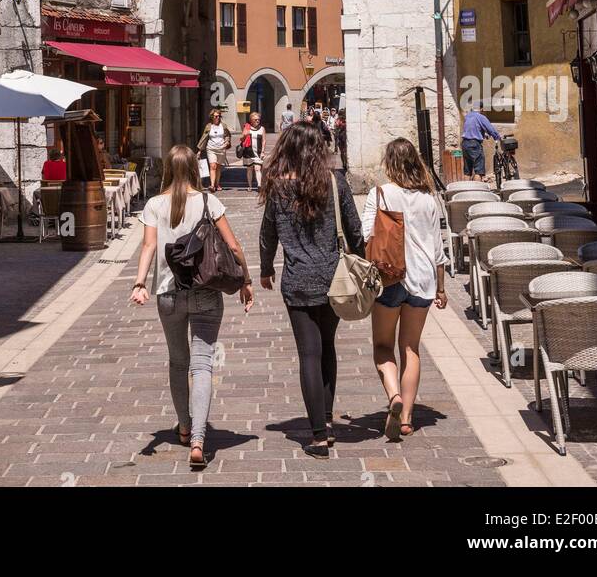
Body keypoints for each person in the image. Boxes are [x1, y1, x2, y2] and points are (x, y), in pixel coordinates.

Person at [131, 145, 253, 470]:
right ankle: (199, 440)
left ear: (169, 170)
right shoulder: (208, 201)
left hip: (168, 294)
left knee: (177, 361)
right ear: (194, 169)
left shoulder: (155, 204)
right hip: (207, 292)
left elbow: (148, 245)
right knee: (202, 365)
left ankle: (184, 427)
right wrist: (246, 281)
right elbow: (234, 246)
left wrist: (140, 283)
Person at [259, 121, 364, 457]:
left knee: (309, 353)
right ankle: (328, 421)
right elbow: (355, 230)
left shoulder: (277, 186)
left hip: (298, 280)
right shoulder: (336, 182)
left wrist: (264, 269)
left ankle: (318, 435)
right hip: (334, 279)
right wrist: (361, 262)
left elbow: (268, 234)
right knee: (328, 347)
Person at [362, 138, 447, 442]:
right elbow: (438, 248)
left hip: (390, 279)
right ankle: (408, 418)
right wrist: (441, 287)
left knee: (382, 346)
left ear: (389, 163)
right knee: (411, 348)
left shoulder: (380, 194)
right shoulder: (429, 199)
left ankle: (394, 394)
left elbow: (366, 234)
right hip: (423, 280)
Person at [461, 104, 502, 181]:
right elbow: (490, 129)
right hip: (474, 144)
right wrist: (497, 137)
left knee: (467, 171)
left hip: (465, 144)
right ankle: (477, 190)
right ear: (482, 109)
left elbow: (472, 128)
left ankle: (466, 190)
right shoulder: (481, 117)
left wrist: (483, 134)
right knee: (479, 170)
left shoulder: (468, 116)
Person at [197, 107, 232, 191]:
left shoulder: (223, 126)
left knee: (218, 167)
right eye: (216, 116)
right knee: (213, 166)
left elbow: (227, 135)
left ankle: (217, 184)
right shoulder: (209, 126)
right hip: (211, 148)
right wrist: (199, 150)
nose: (217, 118)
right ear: (212, 117)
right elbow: (204, 138)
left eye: (219, 116)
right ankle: (212, 185)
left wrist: (226, 142)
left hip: (221, 149)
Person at [242, 110, 266, 192]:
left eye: (258, 119)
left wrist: (263, 151)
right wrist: (245, 135)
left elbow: (264, 140)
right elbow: (241, 139)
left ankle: (259, 185)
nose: (257, 121)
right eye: (255, 120)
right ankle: (250, 185)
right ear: (251, 120)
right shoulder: (247, 128)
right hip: (248, 152)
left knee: (257, 168)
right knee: (249, 169)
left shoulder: (262, 129)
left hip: (258, 152)